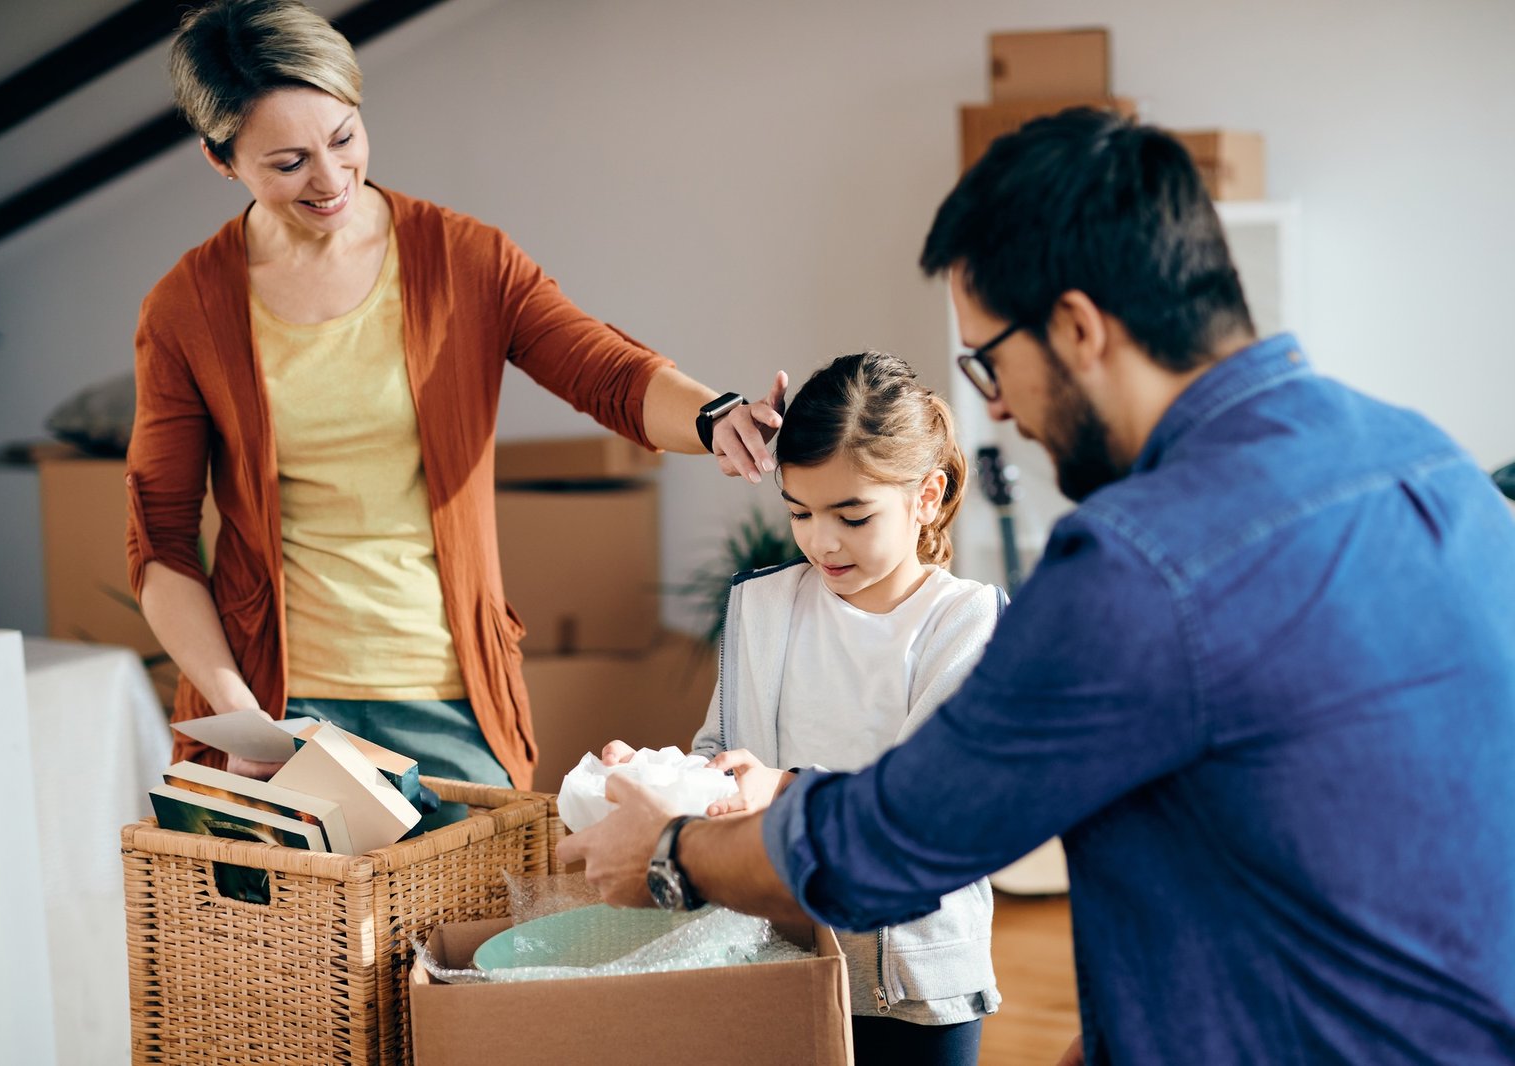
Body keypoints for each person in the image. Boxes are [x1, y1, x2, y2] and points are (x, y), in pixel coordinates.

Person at [557, 108, 1515, 1064]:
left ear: (1078, 328)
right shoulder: (1433, 467)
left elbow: (897, 839)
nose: (998, 406)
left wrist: (667, 851)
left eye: (990, 362)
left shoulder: (1141, 565)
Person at [125, 0, 785, 809]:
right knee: (300, 945)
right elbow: (159, 537)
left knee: (469, 936)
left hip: (451, 700)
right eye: (288, 162)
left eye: (343, 138)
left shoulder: (463, 260)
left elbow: (604, 372)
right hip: (274, 708)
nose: (331, 180)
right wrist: (242, 720)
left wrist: (717, 415)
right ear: (220, 159)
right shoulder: (186, 308)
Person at [602, 350, 1005, 1065]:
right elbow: (717, 752)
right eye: (800, 512)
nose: (822, 540)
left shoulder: (967, 622)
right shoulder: (763, 603)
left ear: (926, 495)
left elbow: (926, 809)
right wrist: (662, 776)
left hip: (913, 988)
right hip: (773, 961)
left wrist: (783, 787)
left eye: (852, 515)